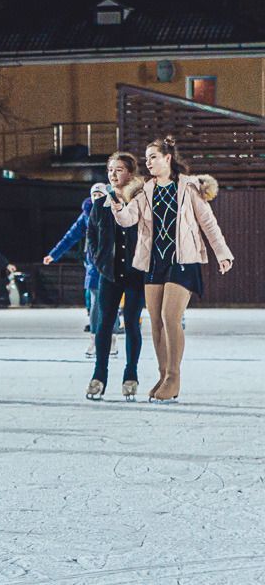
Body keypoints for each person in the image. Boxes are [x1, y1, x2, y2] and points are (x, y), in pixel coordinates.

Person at [109, 137, 234, 403]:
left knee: (169, 317)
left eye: (153, 157)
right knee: (155, 321)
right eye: (146, 158)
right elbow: (128, 219)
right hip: (154, 261)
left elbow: (208, 223)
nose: (148, 162)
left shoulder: (189, 187)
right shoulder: (144, 189)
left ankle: (174, 377)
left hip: (183, 260)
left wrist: (222, 253)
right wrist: (118, 207)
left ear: (167, 158)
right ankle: (163, 374)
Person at [78, 152, 145, 400]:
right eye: (110, 170)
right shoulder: (99, 205)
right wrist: (100, 261)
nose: (113, 175)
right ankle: (99, 376)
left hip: (136, 274)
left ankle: (131, 375)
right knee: (104, 324)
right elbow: (92, 238)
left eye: (118, 170)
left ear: (130, 173)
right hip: (109, 273)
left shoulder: (141, 202)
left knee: (132, 324)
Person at [44, 184, 109, 358]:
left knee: (110, 304)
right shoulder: (86, 216)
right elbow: (70, 237)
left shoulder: (115, 212)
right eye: (94, 194)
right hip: (94, 266)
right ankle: (94, 340)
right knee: (96, 304)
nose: (96, 197)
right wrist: (54, 255)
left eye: (100, 194)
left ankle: (113, 338)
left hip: (112, 265)